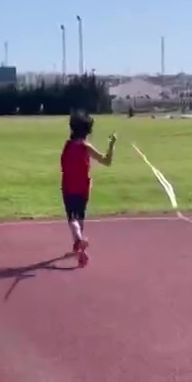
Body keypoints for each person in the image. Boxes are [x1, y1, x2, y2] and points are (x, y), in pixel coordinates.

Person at [60, 111, 116, 267]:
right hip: (83, 187)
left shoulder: (68, 145)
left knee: (72, 219)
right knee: (80, 217)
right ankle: (80, 252)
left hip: (69, 187)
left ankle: (78, 240)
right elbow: (106, 161)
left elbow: (64, 165)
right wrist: (111, 145)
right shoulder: (86, 148)